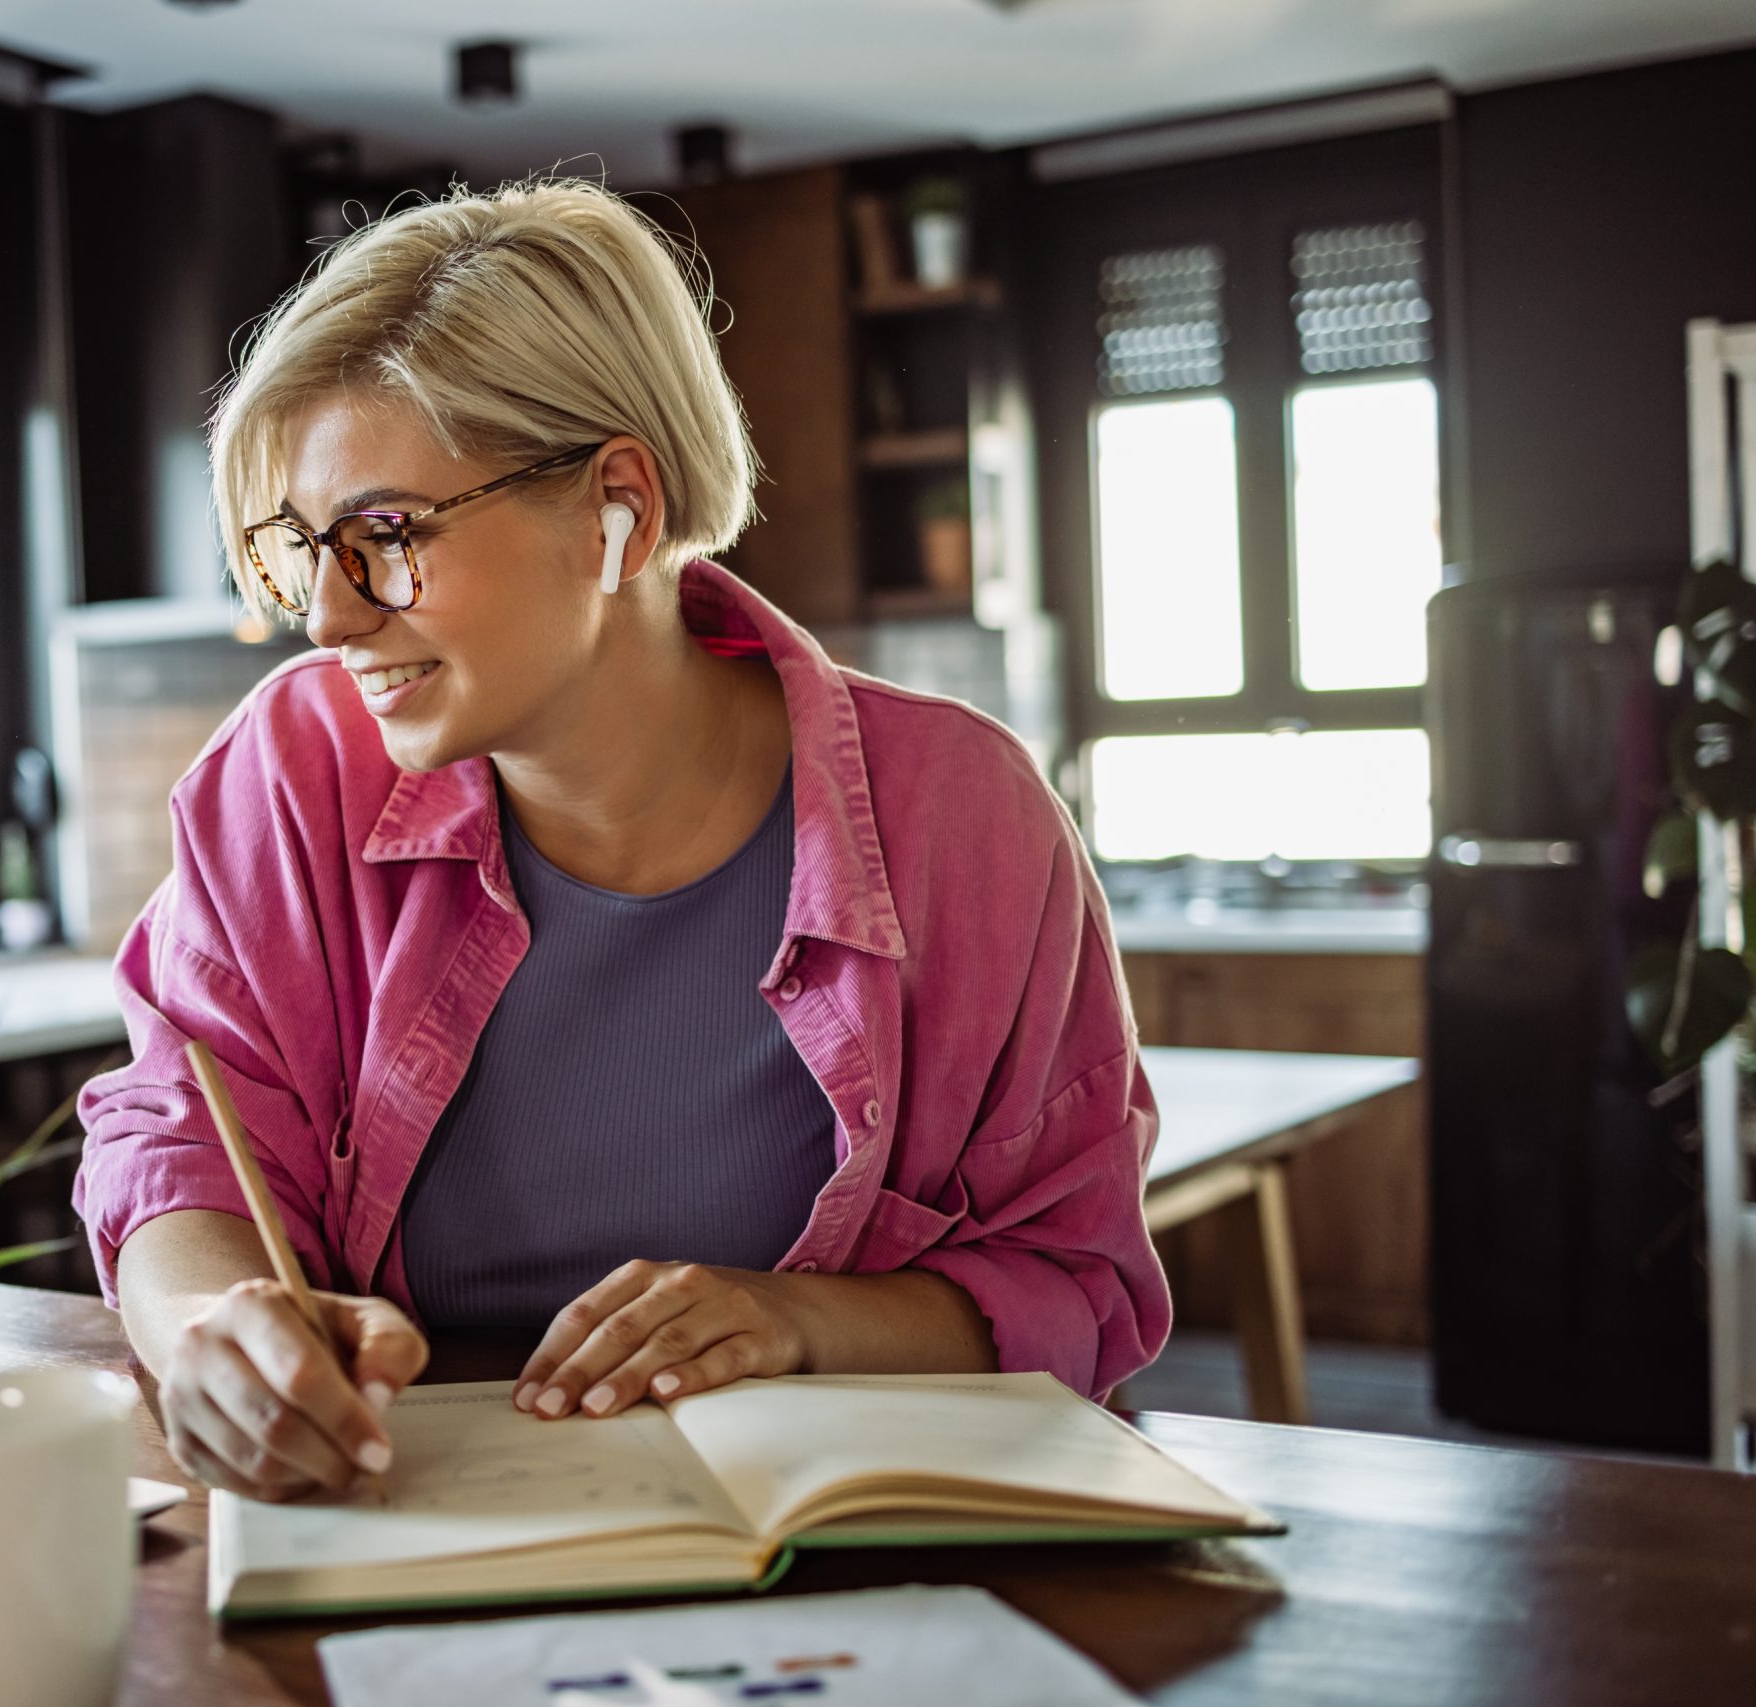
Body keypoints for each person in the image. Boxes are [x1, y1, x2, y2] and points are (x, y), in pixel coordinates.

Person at [74, 177, 1169, 1503]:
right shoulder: (290, 773)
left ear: (621, 511)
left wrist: (795, 1323)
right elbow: (178, 1138)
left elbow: (1079, 1278)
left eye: (384, 537)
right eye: (300, 548)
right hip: (408, 1521)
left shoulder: (964, 818)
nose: (327, 617)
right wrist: (208, 1331)